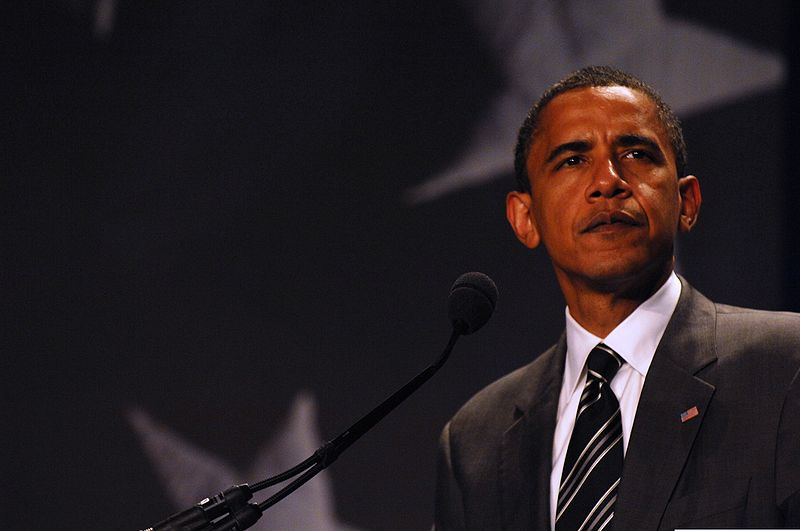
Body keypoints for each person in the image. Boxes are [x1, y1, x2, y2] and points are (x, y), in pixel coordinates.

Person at [433, 66, 800, 530]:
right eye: (572, 161)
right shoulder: (475, 441)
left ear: (686, 202)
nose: (607, 181)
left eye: (636, 154)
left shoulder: (786, 369)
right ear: (525, 218)